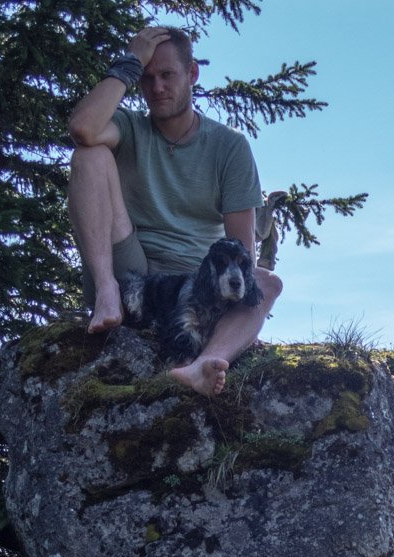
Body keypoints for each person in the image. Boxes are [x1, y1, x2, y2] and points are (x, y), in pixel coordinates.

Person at [67, 26, 282, 397]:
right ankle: (106, 294)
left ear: (192, 74)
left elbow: (241, 251)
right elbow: (83, 129)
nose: (157, 88)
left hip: (196, 284)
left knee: (267, 282)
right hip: (129, 273)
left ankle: (204, 364)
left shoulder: (228, 146)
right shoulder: (130, 127)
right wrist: (129, 63)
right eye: (147, 78)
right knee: (90, 153)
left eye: (167, 75)